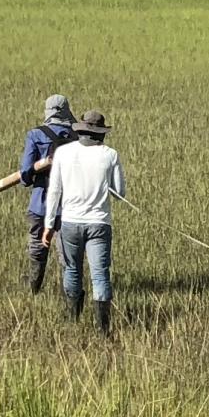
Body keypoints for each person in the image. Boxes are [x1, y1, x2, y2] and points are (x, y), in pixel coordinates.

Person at [42, 109, 125, 334]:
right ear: (101, 133)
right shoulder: (110, 154)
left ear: (81, 130)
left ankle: (72, 319)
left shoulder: (63, 153)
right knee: (100, 274)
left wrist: (49, 226)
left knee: (72, 271)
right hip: (99, 223)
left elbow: (54, 191)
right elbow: (120, 194)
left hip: (69, 223)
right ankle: (103, 329)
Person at [0, 94, 79, 292]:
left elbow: (25, 175)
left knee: (38, 249)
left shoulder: (35, 135)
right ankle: (71, 297)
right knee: (67, 254)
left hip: (41, 203)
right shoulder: (78, 137)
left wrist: (33, 174)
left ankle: (34, 288)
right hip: (71, 206)